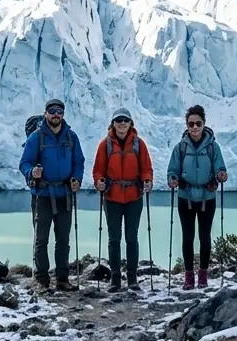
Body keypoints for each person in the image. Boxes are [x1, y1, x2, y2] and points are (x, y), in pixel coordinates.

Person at [19, 98, 84, 292]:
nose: (56, 115)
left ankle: (62, 279)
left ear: (63, 114)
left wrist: (76, 179)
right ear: (46, 113)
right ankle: (42, 280)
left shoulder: (71, 137)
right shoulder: (36, 138)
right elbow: (24, 162)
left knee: (63, 239)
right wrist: (32, 172)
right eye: (52, 111)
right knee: (41, 239)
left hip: (64, 193)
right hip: (42, 194)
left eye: (59, 111)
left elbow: (79, 162)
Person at [92, 107, 153, 292]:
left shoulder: (138, 144)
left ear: (131, 123)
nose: (122, 123)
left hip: (134, 196)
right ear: (113, 123)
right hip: (112, 197)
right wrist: (99, 182)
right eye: (118, 120)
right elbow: (98, 169)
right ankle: (116, 279)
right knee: (114, 239)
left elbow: (146, 167)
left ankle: (132, 279)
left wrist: (147, 180)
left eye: (125, 120)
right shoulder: (106, 145)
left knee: (131, 238)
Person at [166, 104, 227, 290]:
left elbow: (220, 166)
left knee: (205, 236)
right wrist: (173, 179)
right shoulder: (180, 148)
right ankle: (189, 277)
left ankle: (203, 276)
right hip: (186, 197)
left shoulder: (213, 147)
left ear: (204, 124)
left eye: (198, 123)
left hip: (207, 197)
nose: (194, 127)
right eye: (191, 123)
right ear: (186, 125)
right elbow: (172, 169)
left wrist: (221, 174)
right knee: (188, 237)